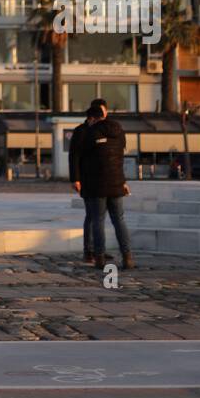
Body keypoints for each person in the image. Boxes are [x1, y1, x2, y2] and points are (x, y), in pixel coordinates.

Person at [73, 98, 135, 270]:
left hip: (96, 185)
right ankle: (127, 257)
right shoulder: (119, 131)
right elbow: (120, 157)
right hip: (116, 183)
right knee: (119, 220)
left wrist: (80, 178)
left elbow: (80, 156)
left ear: (93, 119)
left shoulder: (90, 134)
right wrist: (122, 181)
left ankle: (99, 258)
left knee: (98, 220)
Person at [68, 101, 107, 264]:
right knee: (92, 215)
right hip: (86, 179)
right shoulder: (81, 131)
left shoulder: (103, 129)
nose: (105, 116)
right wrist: (75, 178)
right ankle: (89, 250)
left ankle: (98, 250)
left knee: (99, 216)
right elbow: (74, 156)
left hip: (102, 179)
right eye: (103, 112)